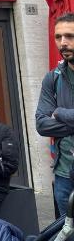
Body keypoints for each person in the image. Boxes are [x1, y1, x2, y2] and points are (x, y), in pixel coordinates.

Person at [35, 12, 74, 216]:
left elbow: (50, 118)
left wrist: (58, 112)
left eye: (70, 36)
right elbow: (42, 124)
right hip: (64, 174)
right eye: (58, 37)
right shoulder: (53, 78)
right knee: (67, 231)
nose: (63, 42)